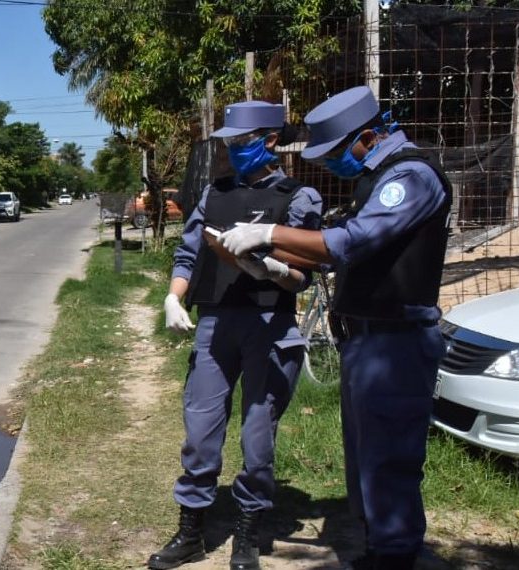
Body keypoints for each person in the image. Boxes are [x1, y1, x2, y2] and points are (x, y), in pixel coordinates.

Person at [216, 86, 452, 570]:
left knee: (390, 458)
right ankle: (382, 546)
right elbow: (343, 256)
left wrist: (270, 232)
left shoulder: (410, 176)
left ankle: (396, 553)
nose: (331, 165)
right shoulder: (376, 179)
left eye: (337, 152)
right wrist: (271, 261)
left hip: (396, 341)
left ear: (367, 137)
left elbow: (356, 239)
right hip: (365, 339)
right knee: (366, 457)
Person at [150, 101, 322, 570]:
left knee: (258, 433)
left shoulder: (298, 198)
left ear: (269, 140)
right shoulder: (214, 194)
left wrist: (269, 268)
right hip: (216, 323)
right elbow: (189, 254)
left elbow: (305, 273)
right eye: (228, 142)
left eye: (240, 141)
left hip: (269, 325)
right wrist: (174, 297)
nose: (231, 149)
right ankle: (191, 531)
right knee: (200, 429)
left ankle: (248, 530)